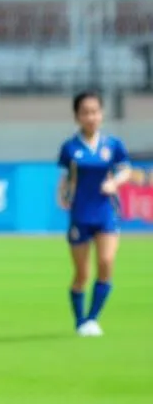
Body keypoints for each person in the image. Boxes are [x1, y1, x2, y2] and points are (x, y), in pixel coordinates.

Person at [56, 91, 131, 337]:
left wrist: (115, 183)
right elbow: (65, 177)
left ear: (102, 114)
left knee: (107, 262)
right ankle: (80, 321)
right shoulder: (70, 148)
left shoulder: (112, 145)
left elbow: (125, 171)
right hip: (80, 214)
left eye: (95, 111)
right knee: (82, 274)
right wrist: (62, 195)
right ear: (77, 116)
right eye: (85, 112)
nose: (91, 117)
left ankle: (92, 319)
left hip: (105, 212)